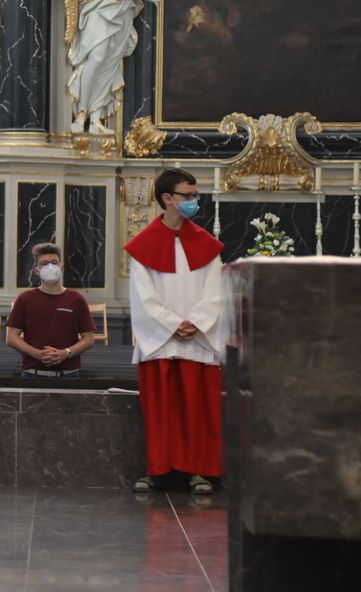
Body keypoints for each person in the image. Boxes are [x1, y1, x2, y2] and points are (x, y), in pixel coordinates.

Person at [125, 168, 224, 496]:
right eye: (188, 195)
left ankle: (200, 471)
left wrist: (195, 322)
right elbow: (142, 295)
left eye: (196, 195)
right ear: (167, 198)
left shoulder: (207, 246)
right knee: (160, 412)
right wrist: (171, 324)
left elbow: (216, 291)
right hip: (163, 343)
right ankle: (157, 470)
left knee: (199, 411)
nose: (195, 201)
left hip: (196, 340)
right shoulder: (143, 247)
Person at [63, 0, 159, 133]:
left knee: (110, 63)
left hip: (122, 13)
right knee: (96, 59)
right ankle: (81, 115)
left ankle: (96, 118)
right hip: (100, 13)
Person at [5, 243, 96, 379]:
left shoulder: (76, 299)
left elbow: (89, 339)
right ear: (37, 270)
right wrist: (37, 354)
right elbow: (11, 338)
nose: (50, 267)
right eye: (44, 263)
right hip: (32, 375)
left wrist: (66, 353)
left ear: (61, 267)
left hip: (68, 375)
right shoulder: (25, 299)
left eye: (54, 262)